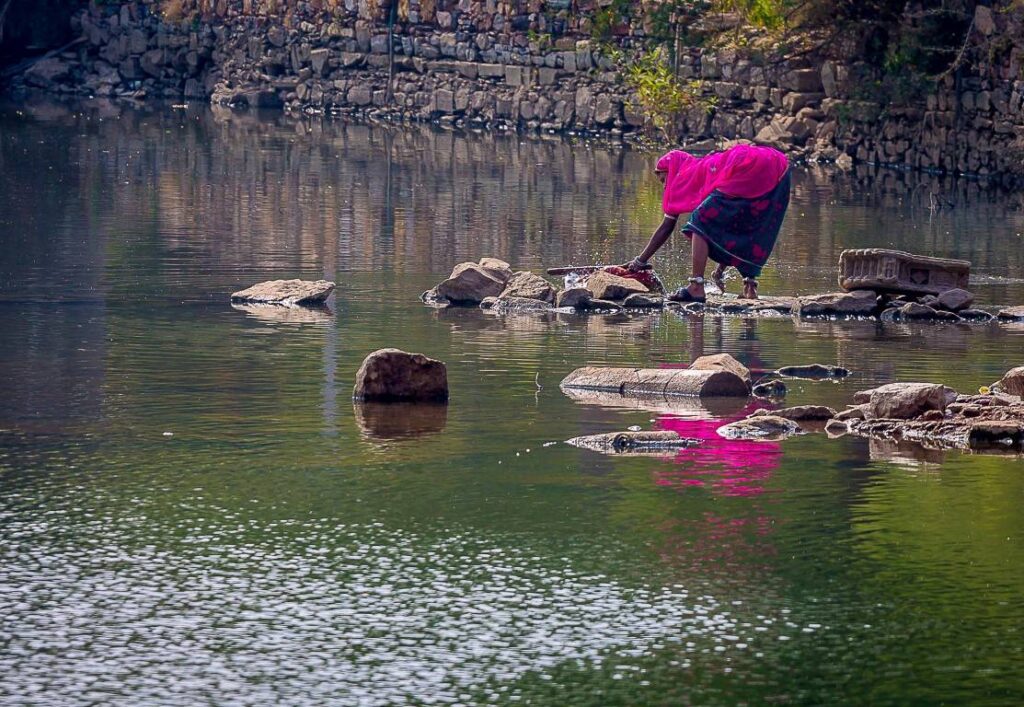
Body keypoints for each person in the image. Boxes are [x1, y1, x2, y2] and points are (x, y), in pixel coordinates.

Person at [626, 144, 790, 302]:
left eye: (664, 180)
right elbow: (727, 229)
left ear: (672, 171)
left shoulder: (684, 177)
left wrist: (639, 262)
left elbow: (667, 226)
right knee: (748, 224)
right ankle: (750, 286)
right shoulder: (707, 168)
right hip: (780, 166)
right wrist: (719, 271)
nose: (665, 187)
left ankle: (696, 286)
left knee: (700, 220)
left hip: (753, 164)